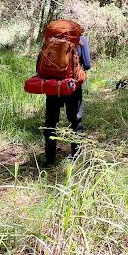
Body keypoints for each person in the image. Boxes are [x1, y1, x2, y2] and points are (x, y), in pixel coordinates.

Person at [43, 32, 91, 167]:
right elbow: (87, 65)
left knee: (50, 121)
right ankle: (76, 157)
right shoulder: (81, 40)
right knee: (76, 120)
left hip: (52, 86)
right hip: (72, 86)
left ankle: (49, 159)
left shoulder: (49, 39)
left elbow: (40, 65)